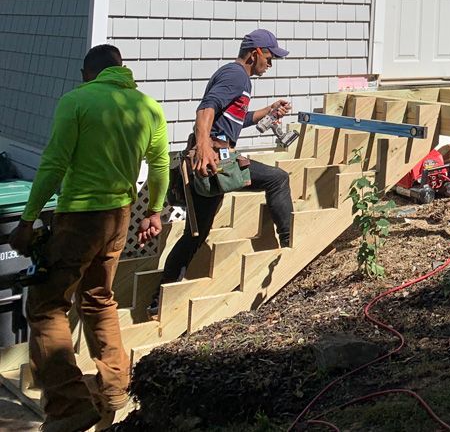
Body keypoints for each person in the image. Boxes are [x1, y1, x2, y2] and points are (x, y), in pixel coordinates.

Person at [11, 44, 169, 432]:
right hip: (120, 218)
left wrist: (28, 219)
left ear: (88, 73)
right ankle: (115, 388)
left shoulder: (77, 101)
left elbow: (54, 162)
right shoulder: (148, 107)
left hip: (79, 219)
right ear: (121, 70)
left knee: (46, 307)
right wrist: (153, 211)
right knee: (99, 299)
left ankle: (68, 406)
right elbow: (161, 162)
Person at [151, 29, 293, 315]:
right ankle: (289, 247)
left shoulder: (239, 80)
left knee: (196, 234)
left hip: (215, 158)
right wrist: (204, 147)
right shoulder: (236, 75)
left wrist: (269, 111)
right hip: (216, 160)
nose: (271, 63)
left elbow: (234, 122)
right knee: (278, 179)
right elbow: (206, 110)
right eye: (269, 56)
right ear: (255, 53)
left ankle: (159, 301)